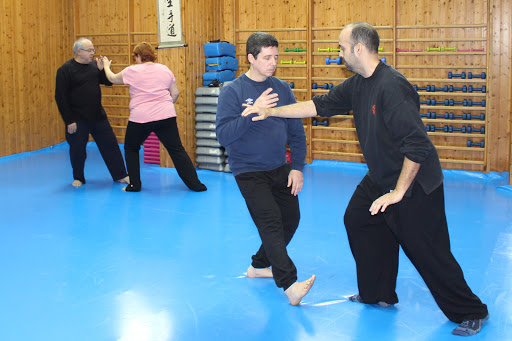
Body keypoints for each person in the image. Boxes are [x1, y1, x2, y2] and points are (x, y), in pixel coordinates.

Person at [241, 22, 489, 336]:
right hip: (381, 176)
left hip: (414, 182)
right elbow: (319, 105)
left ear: (359, 49)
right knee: (359, 219)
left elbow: (417, 145)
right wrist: (271, 112)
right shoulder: (358, 84)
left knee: (427, 250)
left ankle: (471, 311)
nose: (340, 54)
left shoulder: (392, 87)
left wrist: (398, 192)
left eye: (342, 48)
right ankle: (378, 293)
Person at [216, 32, 315, 306]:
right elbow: (223, 135)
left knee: (290, 220)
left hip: (279, 167)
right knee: (270, 223)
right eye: (267, 57)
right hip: (248, 170)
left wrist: (297, 168)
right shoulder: (233, 91)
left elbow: (296, 131)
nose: (273, 62)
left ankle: (259, 265)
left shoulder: (282, 88)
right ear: (251, 58)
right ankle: (290, 284)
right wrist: (251, 113)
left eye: (276, 57)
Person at [102, 42, 206, 192]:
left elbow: (111, 78)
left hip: (141, 118)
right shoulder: (165, 69)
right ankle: (196, 185)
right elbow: (175, 93)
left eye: (135, 57)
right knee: (177, 150)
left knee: (131, 148)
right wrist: (164, 106)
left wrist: (106, 65)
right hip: (166, 116)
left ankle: (134, 185)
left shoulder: (132, 70)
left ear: (138, 56)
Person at [55, 38, 129, 187]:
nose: (93, 53)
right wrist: (69, 121)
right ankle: (78, 178)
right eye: (90, 50)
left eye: (93, 50)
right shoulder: (65, 70)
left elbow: (107, 82)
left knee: (111, 146)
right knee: (78, 150)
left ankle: (120, 175)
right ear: (78, 51)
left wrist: (102, 70)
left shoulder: (94, 66)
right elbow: (60, 97)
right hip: (77, 118)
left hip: (98, 116)